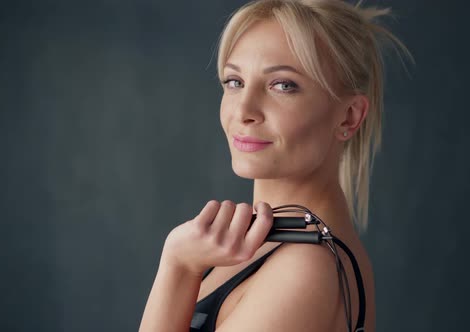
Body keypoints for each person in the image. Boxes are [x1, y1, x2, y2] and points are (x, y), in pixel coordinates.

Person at [139, 0, 413, 331]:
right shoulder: (277, 244)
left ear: (349, 116)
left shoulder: (305, 267)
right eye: (235, 82)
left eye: (283, 85)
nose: (244, 110)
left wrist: (178, 266)